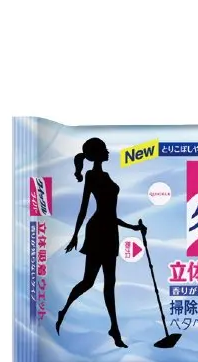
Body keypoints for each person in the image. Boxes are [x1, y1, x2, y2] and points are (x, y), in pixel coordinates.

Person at [56, 138, 146, 348]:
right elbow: (84, 207)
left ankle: (114, 329)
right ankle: (64, 310)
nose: (108, 152)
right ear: (96, 154)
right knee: (88, 282)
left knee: (109, 284)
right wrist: (75, 235)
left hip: (110, 231)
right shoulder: (91, 175)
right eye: (104, 149)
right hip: (97, 231)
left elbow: (110, 214)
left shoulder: (105, 176)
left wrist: (134, 227)